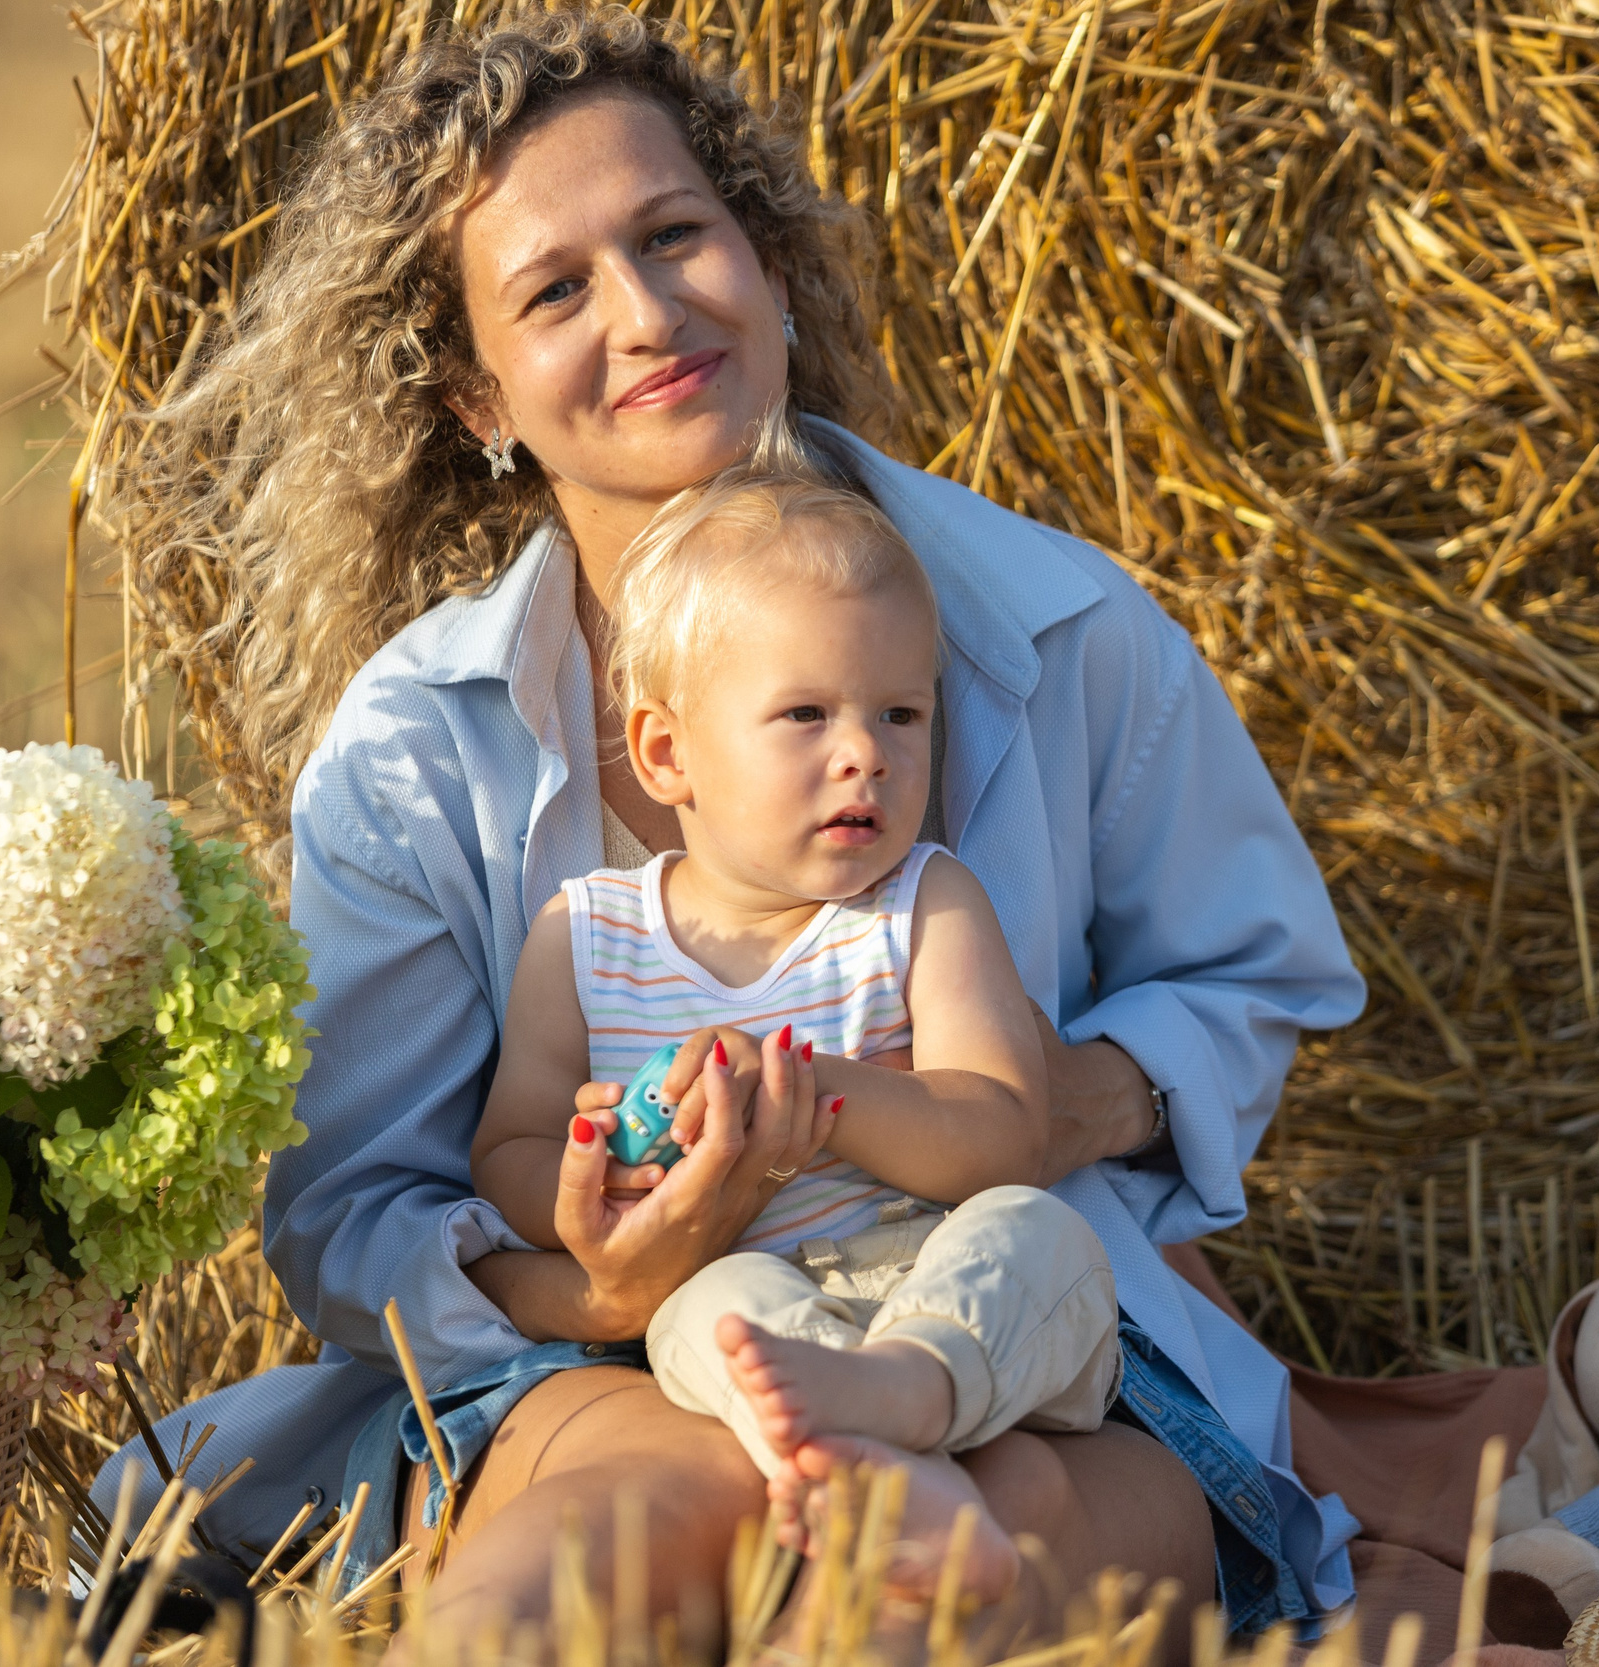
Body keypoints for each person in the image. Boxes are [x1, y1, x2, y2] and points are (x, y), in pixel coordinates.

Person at [101, 4, 1365, 1654]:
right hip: (590, 1364)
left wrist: (1042, 1104)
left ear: (766, 260)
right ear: (478, 394)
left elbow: (1252, 978)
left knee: (950, 1547)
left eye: (675, 234)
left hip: (1010, 1348)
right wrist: (606, 1287)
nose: (645, 314)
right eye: (554, 291)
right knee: (648, 1509)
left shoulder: (1056, 624)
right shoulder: (416, 749)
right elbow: (351, 1210)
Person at [473, 471, 1120, 1595]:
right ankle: (870, 1468)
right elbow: (509, 1152)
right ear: (667, 754)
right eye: (807, 715)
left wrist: (817, 1091)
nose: (866, 752)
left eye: (901, 714)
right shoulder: (586, 936)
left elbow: (1005, 1134)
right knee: (703, 1315)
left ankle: (908, 1393)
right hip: (746, 1286)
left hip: (934, 1286)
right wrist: (600, 1181)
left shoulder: (924, 904)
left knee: (1039, 1236)